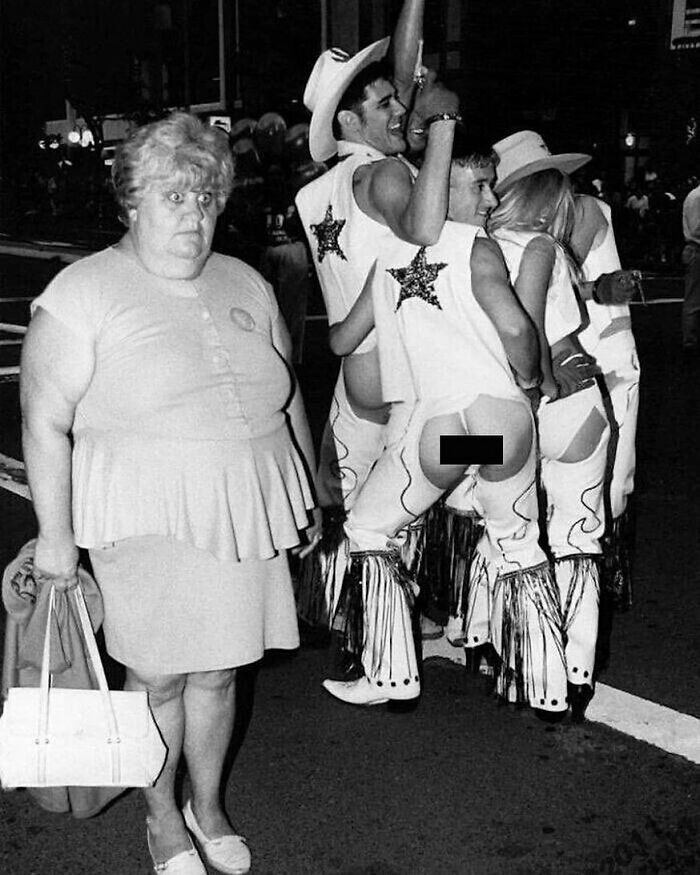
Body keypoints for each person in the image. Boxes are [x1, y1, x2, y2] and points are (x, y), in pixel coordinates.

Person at [20, 112, 321, 875]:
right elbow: (44, 422)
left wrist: (308, 487)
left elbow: (287, 398)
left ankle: (207, 802)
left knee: (220, 670)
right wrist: (56, 538)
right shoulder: (81, 293)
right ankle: (162, 819)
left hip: (244, 511)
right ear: (131, 202)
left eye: (206, 199)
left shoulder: (244, 278)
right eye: (172, 199)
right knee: (157, 675)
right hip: (143, 517)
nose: (194, 218)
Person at [322, 129, 570, 714]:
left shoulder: (389, 257)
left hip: (445, 428)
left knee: (368, 531)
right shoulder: (479, 249)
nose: (490, 199)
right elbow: (514, 330)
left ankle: (390, 673)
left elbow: (341, 340)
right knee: (517, 543)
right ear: (441, 187)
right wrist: (531, 382)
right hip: (503, 425)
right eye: (478, 185)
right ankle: (547, 682)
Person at [294, 0, 460, 630]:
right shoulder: (386, 173)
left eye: (396, 99)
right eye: (385, 104)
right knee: (453, 468)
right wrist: (439, 132)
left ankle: (350, 614)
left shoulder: (314, 192)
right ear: (349, 119)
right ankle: (398, 625)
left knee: (353, 500)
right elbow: (422, 228)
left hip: (354, 377)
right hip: (399, 374)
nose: (399, 111)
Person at [488, 130, 611, 721]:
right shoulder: (542, 247)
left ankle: (521, 662)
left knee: (510, 537)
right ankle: (577, 672)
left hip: (501, 413)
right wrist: (544, 381)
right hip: (569, 403)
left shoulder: (471, 248)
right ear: (545, 195)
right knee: (579, 537)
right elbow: (535, 324)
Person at [681, 176, 700, 355]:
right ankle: (690, 340)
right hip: (697, 249)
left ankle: (692, 339)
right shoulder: (697, 197)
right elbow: (695, 228)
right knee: (694, 298)